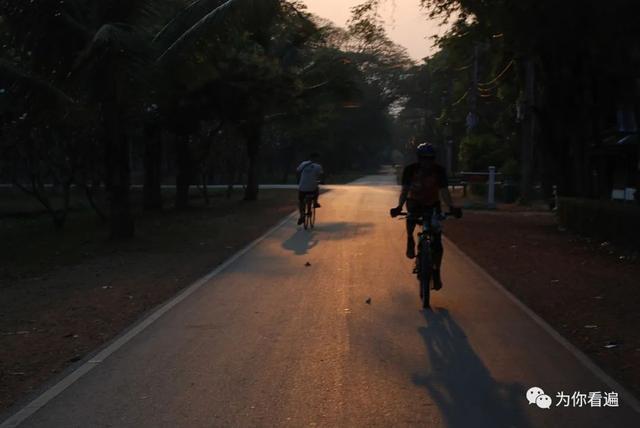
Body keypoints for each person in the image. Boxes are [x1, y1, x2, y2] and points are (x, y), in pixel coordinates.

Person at [390, 142, 462, 290]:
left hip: (432, 204)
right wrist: (399, 207)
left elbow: (444, 192)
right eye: (424, 158)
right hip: (414, 202)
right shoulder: (410, 170)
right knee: (410, 218)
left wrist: (451, 207)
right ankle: (410, 239)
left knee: (437, 240)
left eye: (430, 159)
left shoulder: (439, 171)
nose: (427, 162)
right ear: (419, 158)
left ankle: (436, 272)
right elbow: (404, 191)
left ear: (434, 159)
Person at [297, 153, 324, 225]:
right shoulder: (318, 166)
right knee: (317, 189)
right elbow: (321, 175)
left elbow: (298, 170)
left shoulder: (303, 164)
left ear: (310, 157)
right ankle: (315, 202)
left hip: (302, 187)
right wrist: (321, 181)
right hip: (312, 187)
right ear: (317, 158)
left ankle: (302, 215)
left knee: (301, 201)